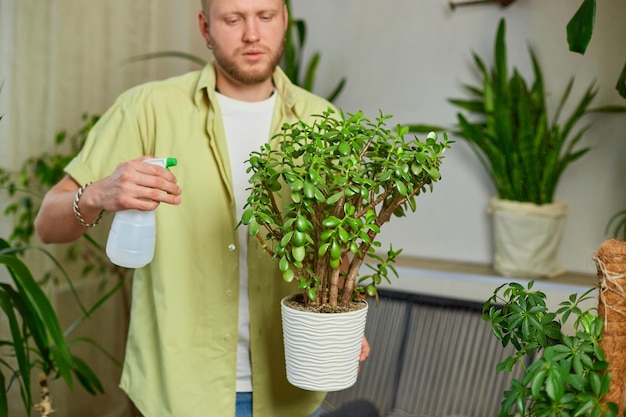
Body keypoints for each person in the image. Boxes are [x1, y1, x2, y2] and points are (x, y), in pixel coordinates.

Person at [34, 0, 369, 416]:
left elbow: (339, 243)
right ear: (205, 26)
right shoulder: (147, 109)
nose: (251, 33)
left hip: (293, 390)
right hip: (180, 394)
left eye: (265, 16)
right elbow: (48, 222)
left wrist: (342, 313)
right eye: (233, 19)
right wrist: (100, 193)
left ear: (284, 20)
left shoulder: (324, 120)